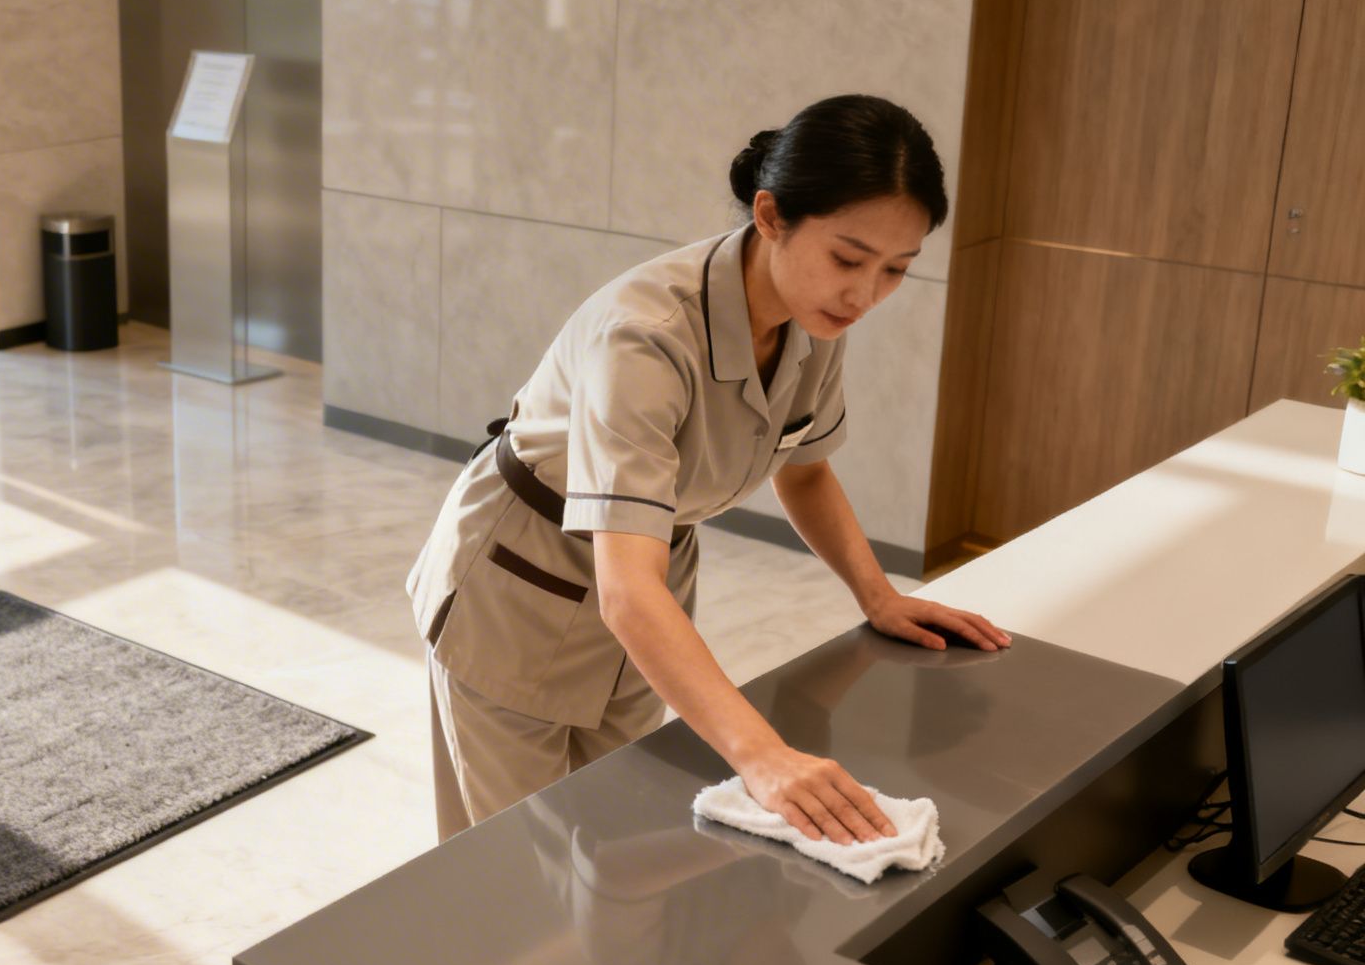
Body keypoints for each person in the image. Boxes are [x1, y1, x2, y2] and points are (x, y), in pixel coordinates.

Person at [408, 94, 1009, 845]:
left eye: (896, 269)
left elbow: (806, 469)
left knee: (615, 843)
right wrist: (764, 758)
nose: (865, 294)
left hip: (648, 582)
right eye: (848, 258)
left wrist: (878, 596)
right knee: (508, 862)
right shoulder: (646, 337)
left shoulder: (812, 316)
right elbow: (624, 591)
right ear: (769, 216)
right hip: (518, 587)